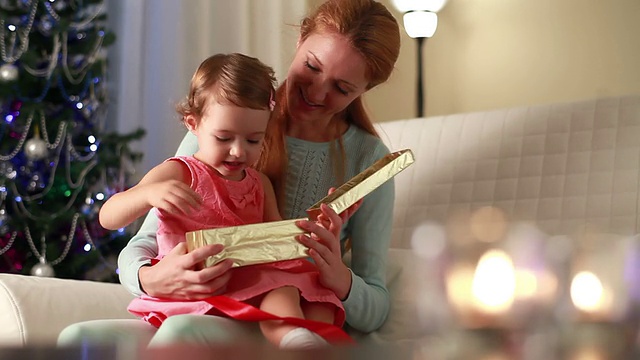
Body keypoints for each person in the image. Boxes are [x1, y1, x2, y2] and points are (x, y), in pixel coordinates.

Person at [58, 0, 401, 348]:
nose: (315, 92)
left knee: (184, 335)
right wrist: (149, 278)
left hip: (274, 318)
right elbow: (146, 239)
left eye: (341, 88)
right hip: (200, 304)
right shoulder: (223, 117)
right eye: (312, 67)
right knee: (79, 339)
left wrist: (336, 274)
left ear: (365, 89)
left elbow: (375, 305)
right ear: (300, 39)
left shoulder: (368, 161)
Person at [98, 52, 346, 349]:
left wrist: (314, 229)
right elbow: (108, 217)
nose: (239, 152)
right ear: (193, 124)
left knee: (294, 285)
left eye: (254, 140)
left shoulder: (259, 183)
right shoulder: (179, 172)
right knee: (281, 286)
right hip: (198, 288)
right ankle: (297, 338)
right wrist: (147, 194)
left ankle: (300, 340)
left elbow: (279, 244)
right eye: (224, 138)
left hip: (248, 284)